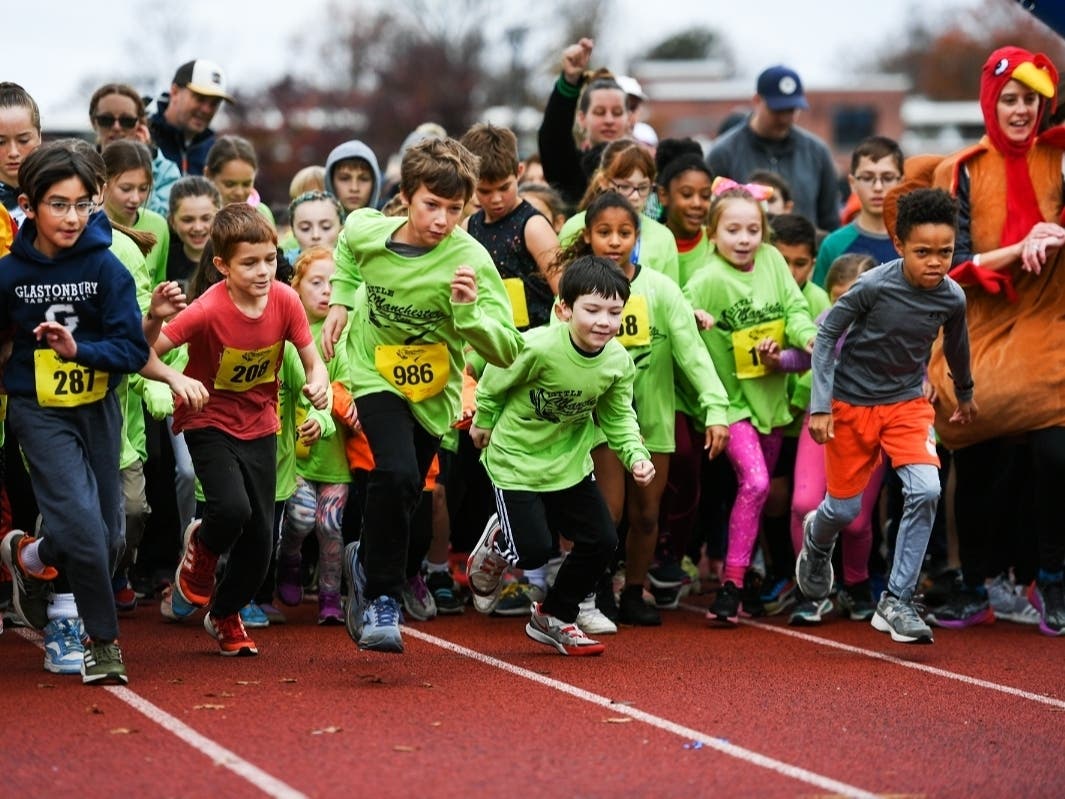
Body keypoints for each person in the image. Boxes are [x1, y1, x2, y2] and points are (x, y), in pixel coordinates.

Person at [0, 140, 206, 684]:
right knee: (87, 531)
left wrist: (79, 351)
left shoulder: (106, 266)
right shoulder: (8, 275)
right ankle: (104, 643)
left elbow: (132, 351)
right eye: (58, 204)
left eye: (83, 204)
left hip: (100, 409)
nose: (72, 217)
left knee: (112, 539)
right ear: (29, 204)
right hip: (38, 413)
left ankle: (31, 555)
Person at [322, 136, 523, 654]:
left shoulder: (470, 260)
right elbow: (346, 244)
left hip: (434, 392)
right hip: (374, 372)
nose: (441, 220)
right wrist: (343, 298)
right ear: (406, 197)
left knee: (410, 496)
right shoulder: (370, 228)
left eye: (455, 209)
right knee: (397, 472)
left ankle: (365, 560)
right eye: (431, 205)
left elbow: (506, 350)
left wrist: (468, 312)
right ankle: (382, 602)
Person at [923, 46, 1065, 636]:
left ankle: (1052, 579)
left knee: (1055, 453)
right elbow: (945, 263)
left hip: (1049, 321)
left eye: (1030, 99)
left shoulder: (1059, 160)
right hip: (974, 324)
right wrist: (1018, 245)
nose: (1020, 110)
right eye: (1009, 98)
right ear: (990, 101)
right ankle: (978, 581)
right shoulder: (959, 170)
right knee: (978, 455)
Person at [795, 187, 976, 645]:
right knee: (845, 509)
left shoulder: (952, 297)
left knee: (927, 489)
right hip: (851, 407)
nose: (935, 262)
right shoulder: (873, 286)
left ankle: (896, 600)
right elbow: (826, 335)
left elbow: (957, 345)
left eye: (945, 252)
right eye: (922, 252)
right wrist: (820, 405)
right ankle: (817, 540)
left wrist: (966, 392)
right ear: (898, 246)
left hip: (907, 406)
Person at [152, 203, 329, 656]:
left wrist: (317, 383)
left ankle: (224, 612)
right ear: (221, 266)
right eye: (249, 263)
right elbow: (141, 352)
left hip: (260, 424)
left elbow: (313, 361)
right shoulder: (207, 309)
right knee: (231, 509)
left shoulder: (286, 301)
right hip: (207, 417)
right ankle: (201, 552)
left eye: (269, 259)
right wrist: (175, 373)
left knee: (260, 542)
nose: (263, 271)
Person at [465, 255, 655, 654]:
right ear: (564, 309)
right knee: (534, 550)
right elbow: (495, 381)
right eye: (592, 310)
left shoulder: (617, 362)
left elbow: (619, 416)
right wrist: (483, 420)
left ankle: (554, 614)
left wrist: (636, 455)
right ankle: (499, 542)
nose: (604, 321)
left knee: (602, 540)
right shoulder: (537, 347)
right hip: (516, 460)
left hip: (569, 464)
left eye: (614, 312)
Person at [561, 192, 729, 626]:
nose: (614, 241)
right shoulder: (578, 289)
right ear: (588, 237)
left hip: (653, 419)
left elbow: (693, 353)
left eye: (624, 232)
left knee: (648, 513)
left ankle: (634, 590)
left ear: (638, 236)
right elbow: (549, 346)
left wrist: (715, 408)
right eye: (604, 233)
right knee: (608, 512)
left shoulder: (660, 289)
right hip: (602, 422)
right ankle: (597, 591)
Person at [683, 183, 818, 624]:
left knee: (755, 497)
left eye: (753, 229)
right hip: (730, 404)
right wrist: (694, 316)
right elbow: (678, 314)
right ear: (713, 233)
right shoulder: (707, 278)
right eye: (734, 229)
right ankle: (732, 585)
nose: (744, 239)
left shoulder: (775, 262)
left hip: (771, 400)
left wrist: (806, 338)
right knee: (757, 484)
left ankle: (744, 582)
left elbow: (796, 311)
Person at [787, 253, 881, 625]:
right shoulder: (829, 321)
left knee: (855, 521)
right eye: (842, 300)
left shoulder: (892, 327)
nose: (851, 309)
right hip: (822, 417)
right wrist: (775, 358)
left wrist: (925, 377)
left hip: (871, 424)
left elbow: (913, 362)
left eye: (860, 298)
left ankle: (855, 584)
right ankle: (810, 589)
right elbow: (803, 356)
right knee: (803, 504)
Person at [276, 247, 351, 624]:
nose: (325, 291)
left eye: (333, 284)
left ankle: (329, 595)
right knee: (303, 519)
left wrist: (328, 415)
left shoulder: (344, 335)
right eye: (316, 282)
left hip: (335, 455)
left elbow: (346, 385)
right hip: (296, 456)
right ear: (297, 287)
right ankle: (289, 560)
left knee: (330, 525)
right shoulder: (289, 333)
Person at [708, 65, 840, 233]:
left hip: (804, 255)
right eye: (777, 110)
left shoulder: (817, 152)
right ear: (756, 101)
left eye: (791, 110)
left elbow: (829, 220)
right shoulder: (724, 152)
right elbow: (712, 217)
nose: (784, 118)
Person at [460, 122, 560, 330]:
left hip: (535, 342)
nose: (496, 199)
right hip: (490, 345)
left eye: (504, 187)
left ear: (519, 171)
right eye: (485, 191)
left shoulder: (534, 226)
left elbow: (564, 293)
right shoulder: (468, 227)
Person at [560, 138, 680, 284]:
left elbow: (670, 298)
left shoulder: (663, 237)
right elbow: (562, 290)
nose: (635, 196)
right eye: (624, 187)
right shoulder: (575, 226)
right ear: (603, 182)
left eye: (643, 188)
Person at [538, 38, 633, 209]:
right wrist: (569, 81)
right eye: (599, 112)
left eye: (617, 113)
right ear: (582, 118)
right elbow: (553, 138)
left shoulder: (646, 168)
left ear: (629, 119)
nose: (609, 120)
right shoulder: (572, 171)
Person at [812, 136, 904, 287]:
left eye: (887, 178)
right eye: (868, 178)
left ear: (901, 182)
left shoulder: (914, 242)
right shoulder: (834, 245)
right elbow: (821, 306)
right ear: (853, 183)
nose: (878, 187)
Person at [89, 82, 181, 217]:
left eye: (127, 121)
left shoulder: (165, 171)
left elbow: (162, 220)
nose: (116, 127)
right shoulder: (79, 167)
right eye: (106, 119)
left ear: (140, 124)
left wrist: (145, 163)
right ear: (93, 122)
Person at [149, 59, 234, 176]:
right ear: (175, 92)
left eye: (214, 103)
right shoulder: (144, 138)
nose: (206, 109)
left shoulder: (215, 152)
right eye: (200, 98)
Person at [164, 175, 222, 291]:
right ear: (172, 222)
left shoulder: (231, 258)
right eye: (188, 220)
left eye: (206, 218)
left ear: (220, 217)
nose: (198, 227)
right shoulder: (165, 258)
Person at [204, 135, 274, 227]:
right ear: (208, 175)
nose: (239, 192)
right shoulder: (199, 216)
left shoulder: (262, 213)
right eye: (230, 184)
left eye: (246, 184)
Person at [0, 82, 43, 227]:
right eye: (1, 142)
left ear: (39, 136)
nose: (13, 152)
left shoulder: (61, 193)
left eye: (23, 140)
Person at [324, 139, 382, 216]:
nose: (354, 188)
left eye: (364, 179)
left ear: (375, 183)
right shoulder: (314, 226)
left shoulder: (393, 227)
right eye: (344, 178)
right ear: (330, 181)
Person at [286, 190, 344, 260]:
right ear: (293, 231)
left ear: (340, 229)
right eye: (305, 228)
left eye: (326, 227)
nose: (315, 235)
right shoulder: (281, 267)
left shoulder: (355, 265)